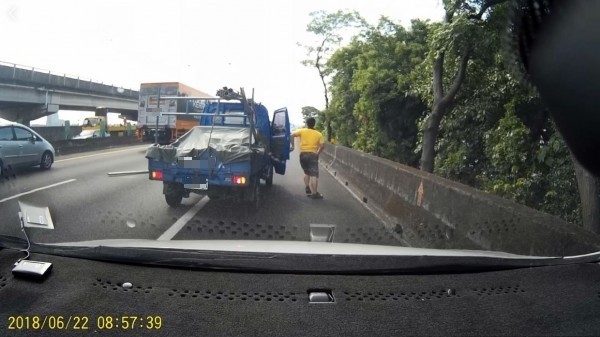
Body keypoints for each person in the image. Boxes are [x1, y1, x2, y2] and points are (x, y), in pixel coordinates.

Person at [290, 117, 324, 199]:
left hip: (303, 154)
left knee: (306, 172)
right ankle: (315, 193)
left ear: (306, 123)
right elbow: (322, 145)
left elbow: (292, 135)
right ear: (314, 124)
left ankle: (307, 187)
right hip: (313, 155)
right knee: (314, 175)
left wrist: (293, 146)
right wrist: (318, 153)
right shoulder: (318, 134)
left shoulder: (302, 131)